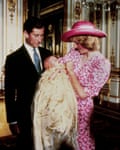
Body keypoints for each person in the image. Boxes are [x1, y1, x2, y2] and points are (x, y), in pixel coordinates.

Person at [59, 20, 111, 150]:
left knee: (81, 140)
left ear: (88, 42)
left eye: (78, 42)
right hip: (65, 104)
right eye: (75, 42)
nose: (75, 46)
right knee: (65, 141)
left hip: (82, 108)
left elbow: (83, 94)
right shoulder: (75, 53)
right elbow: (58, 65)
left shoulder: (102, 64)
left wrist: (70, 72)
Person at [4, 16, 52, 150]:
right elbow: (9, 93)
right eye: (36, 35)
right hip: (24, 115)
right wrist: (12, 120)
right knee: (25, 145)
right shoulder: (13, 59)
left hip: (46, 114)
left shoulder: (47, 54)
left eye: (42, 35)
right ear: (26, 33)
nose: (40, 39)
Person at [33, 56, 78, 150]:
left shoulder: (63, 71)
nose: (58, 61)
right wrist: (56, 72)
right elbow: (46, 85)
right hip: (53, 105)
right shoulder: (47, 75)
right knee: (54, 129)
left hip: (65, 104)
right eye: (54, 60)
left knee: (66, 128)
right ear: (48, 65)